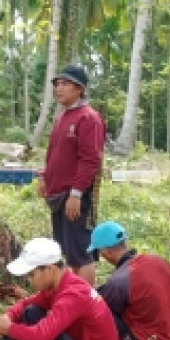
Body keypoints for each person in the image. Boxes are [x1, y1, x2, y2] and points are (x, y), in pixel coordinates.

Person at [37, 64, 106, 285]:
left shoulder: (89, 118)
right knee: (66, 250)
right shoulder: (62, 118)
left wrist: (76, 194)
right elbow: (53, 152)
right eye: (57, 83)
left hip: (75, 195)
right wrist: (43, 176)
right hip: (57, 194)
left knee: (80, 253)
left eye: (65, 84)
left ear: (79, 88)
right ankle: (72, 298)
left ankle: (84, 303)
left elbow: (91, 159)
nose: (59, 88)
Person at [88, 221, 170, 340]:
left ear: (106, 253)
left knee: (94, 309)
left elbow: (100, 307)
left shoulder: (120, 280)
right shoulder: (159, 261)